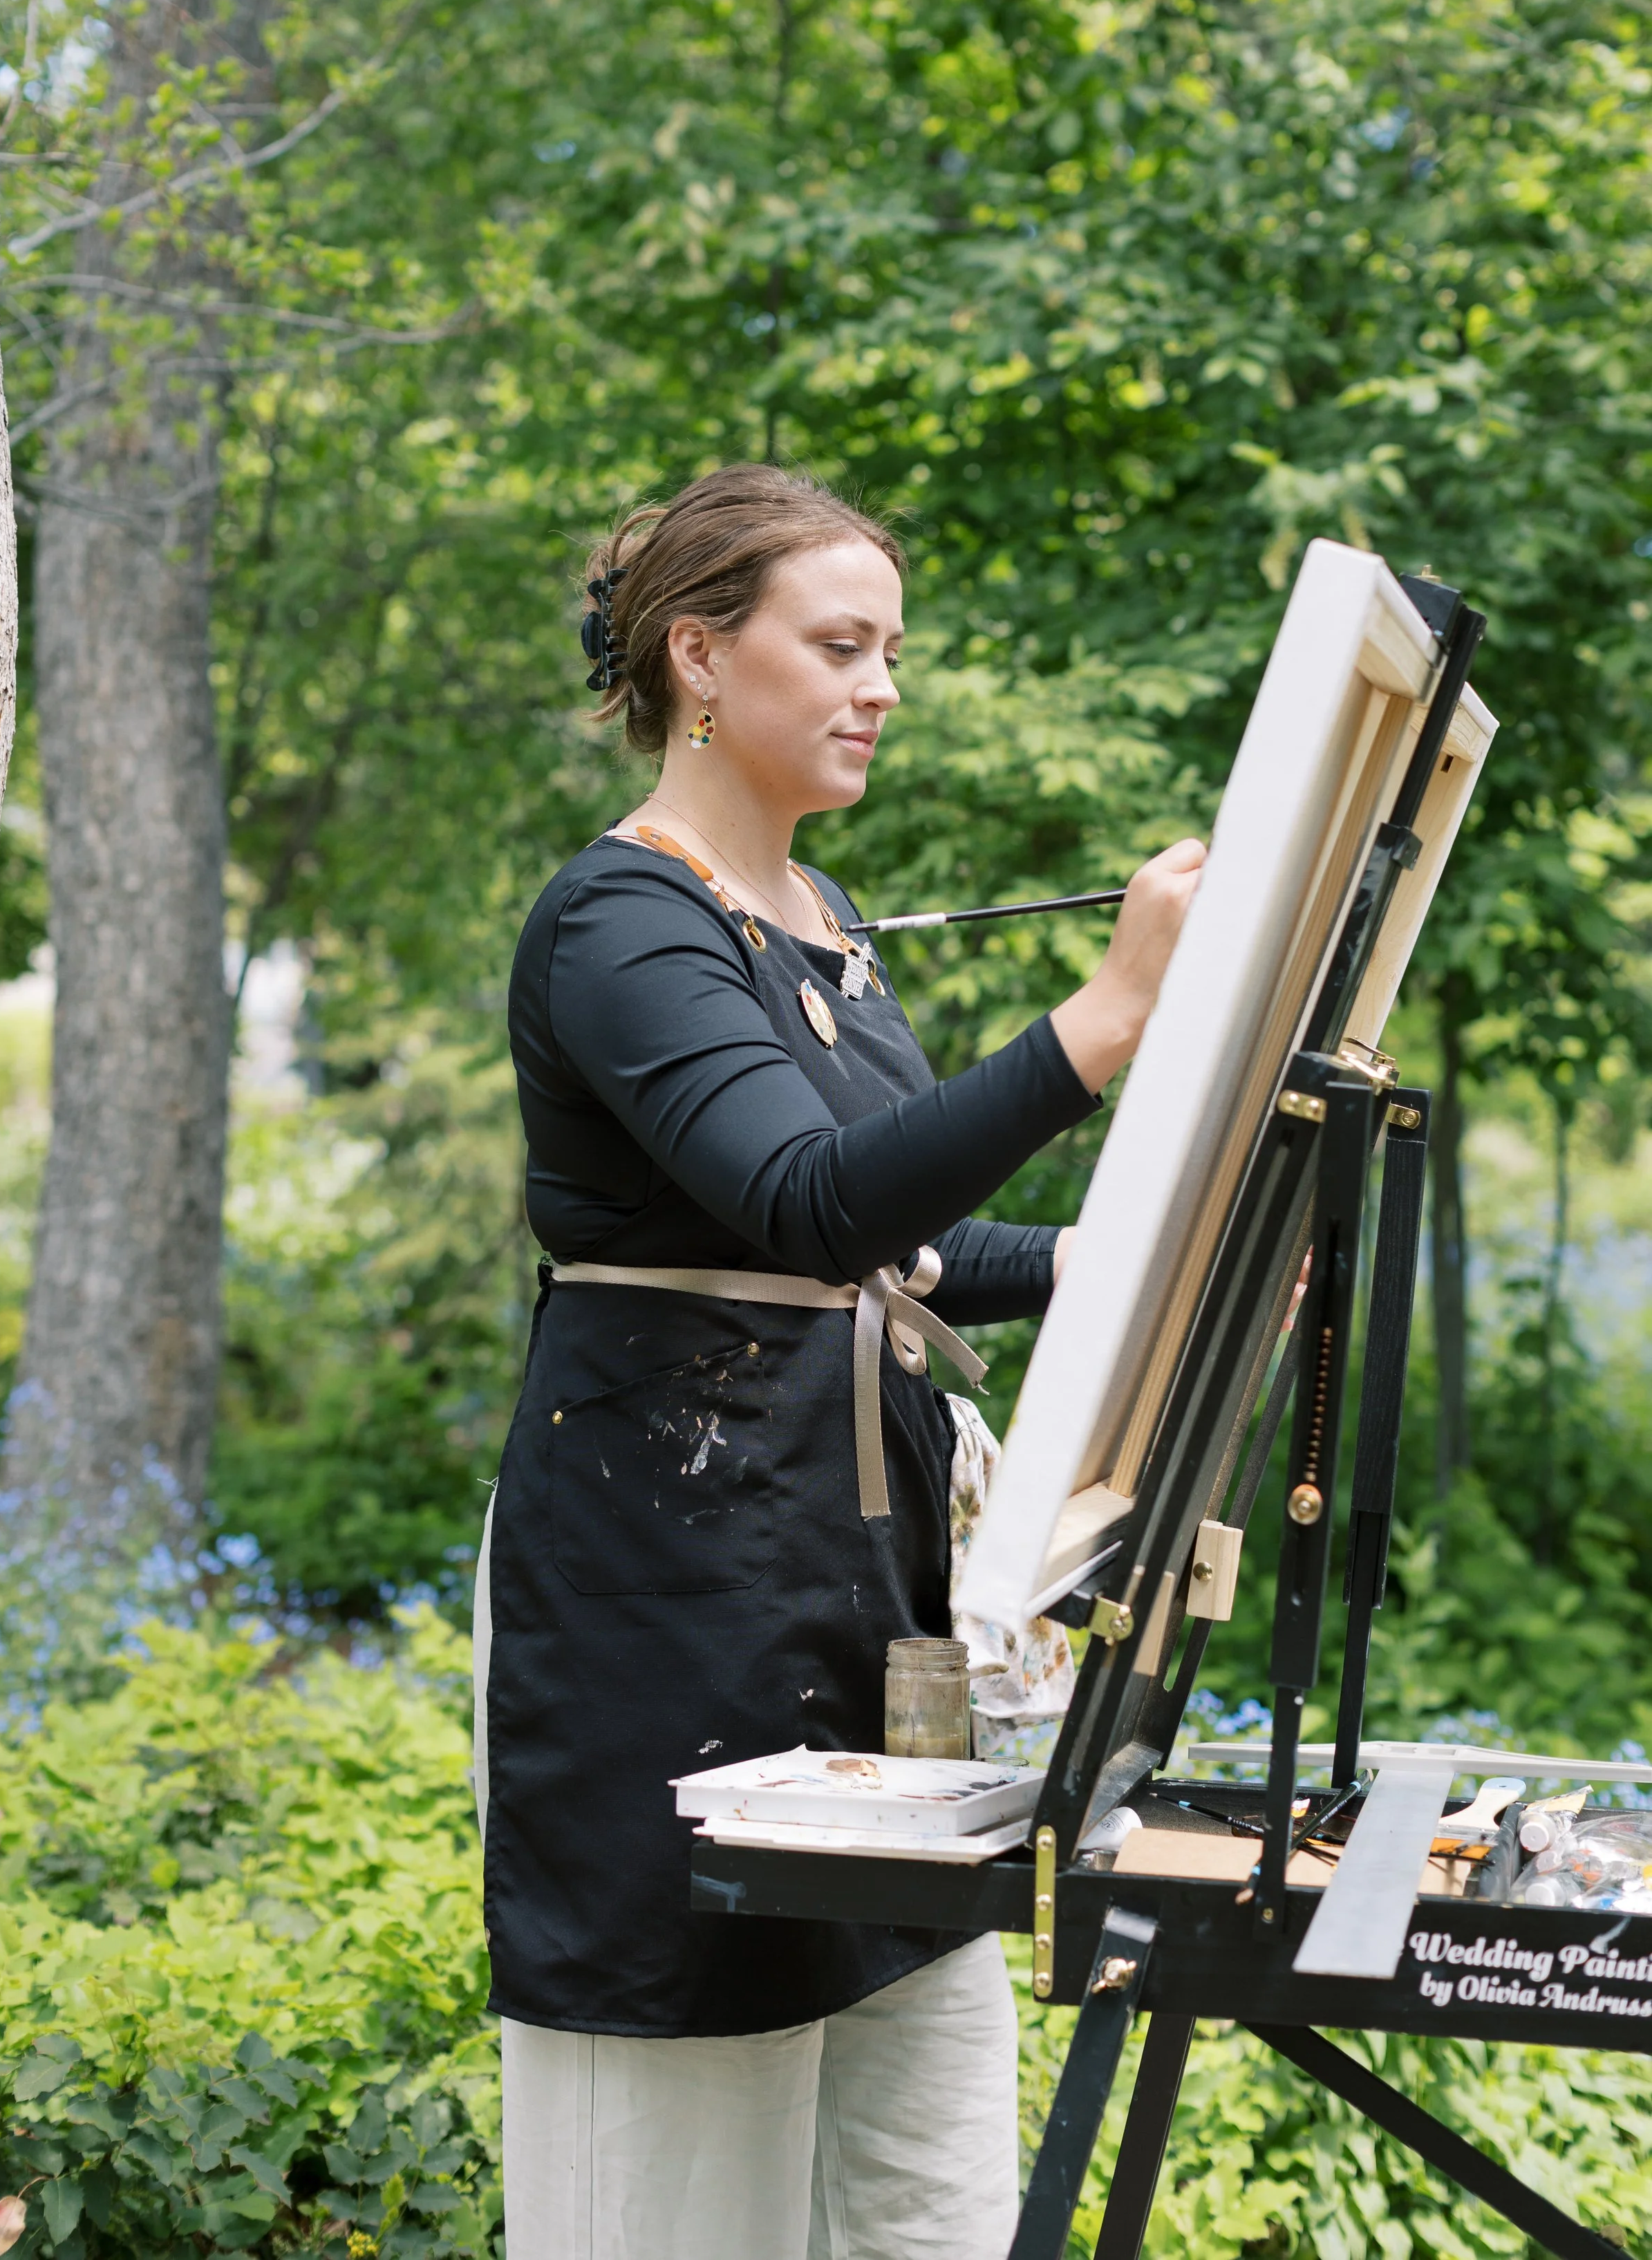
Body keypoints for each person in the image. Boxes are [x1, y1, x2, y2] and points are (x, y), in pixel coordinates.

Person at [478, 464, 1205, 2260]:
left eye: (893, 647)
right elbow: (806, 1202)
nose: (882, 683)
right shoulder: (620, 921)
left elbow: (906, 1250)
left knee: (922, 2193)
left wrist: (1150, 1262)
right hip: (671, 1609)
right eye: (842, 642)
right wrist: (1099, 1022)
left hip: (877, 1615)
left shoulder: (826, 918)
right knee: (678, 2190)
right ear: (700, 653)